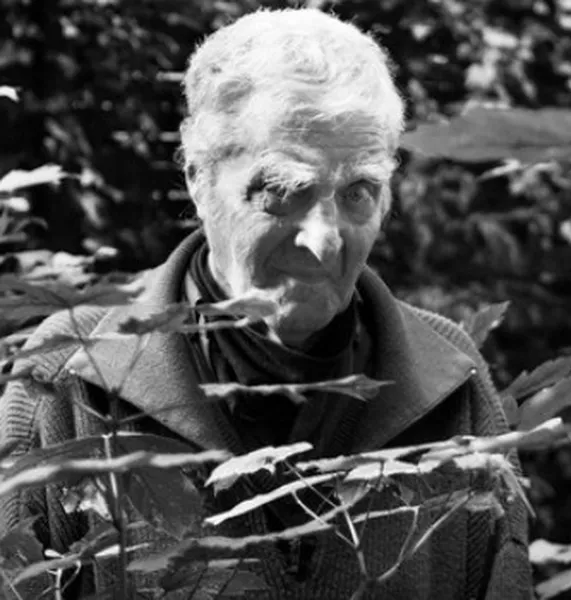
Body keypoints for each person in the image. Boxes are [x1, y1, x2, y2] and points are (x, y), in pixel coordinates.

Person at [0, 8, 532, 599]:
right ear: (199, 179)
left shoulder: (450, 380)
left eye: (358, 192)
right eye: (283, 191)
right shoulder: (71, 379)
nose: (324, 240)